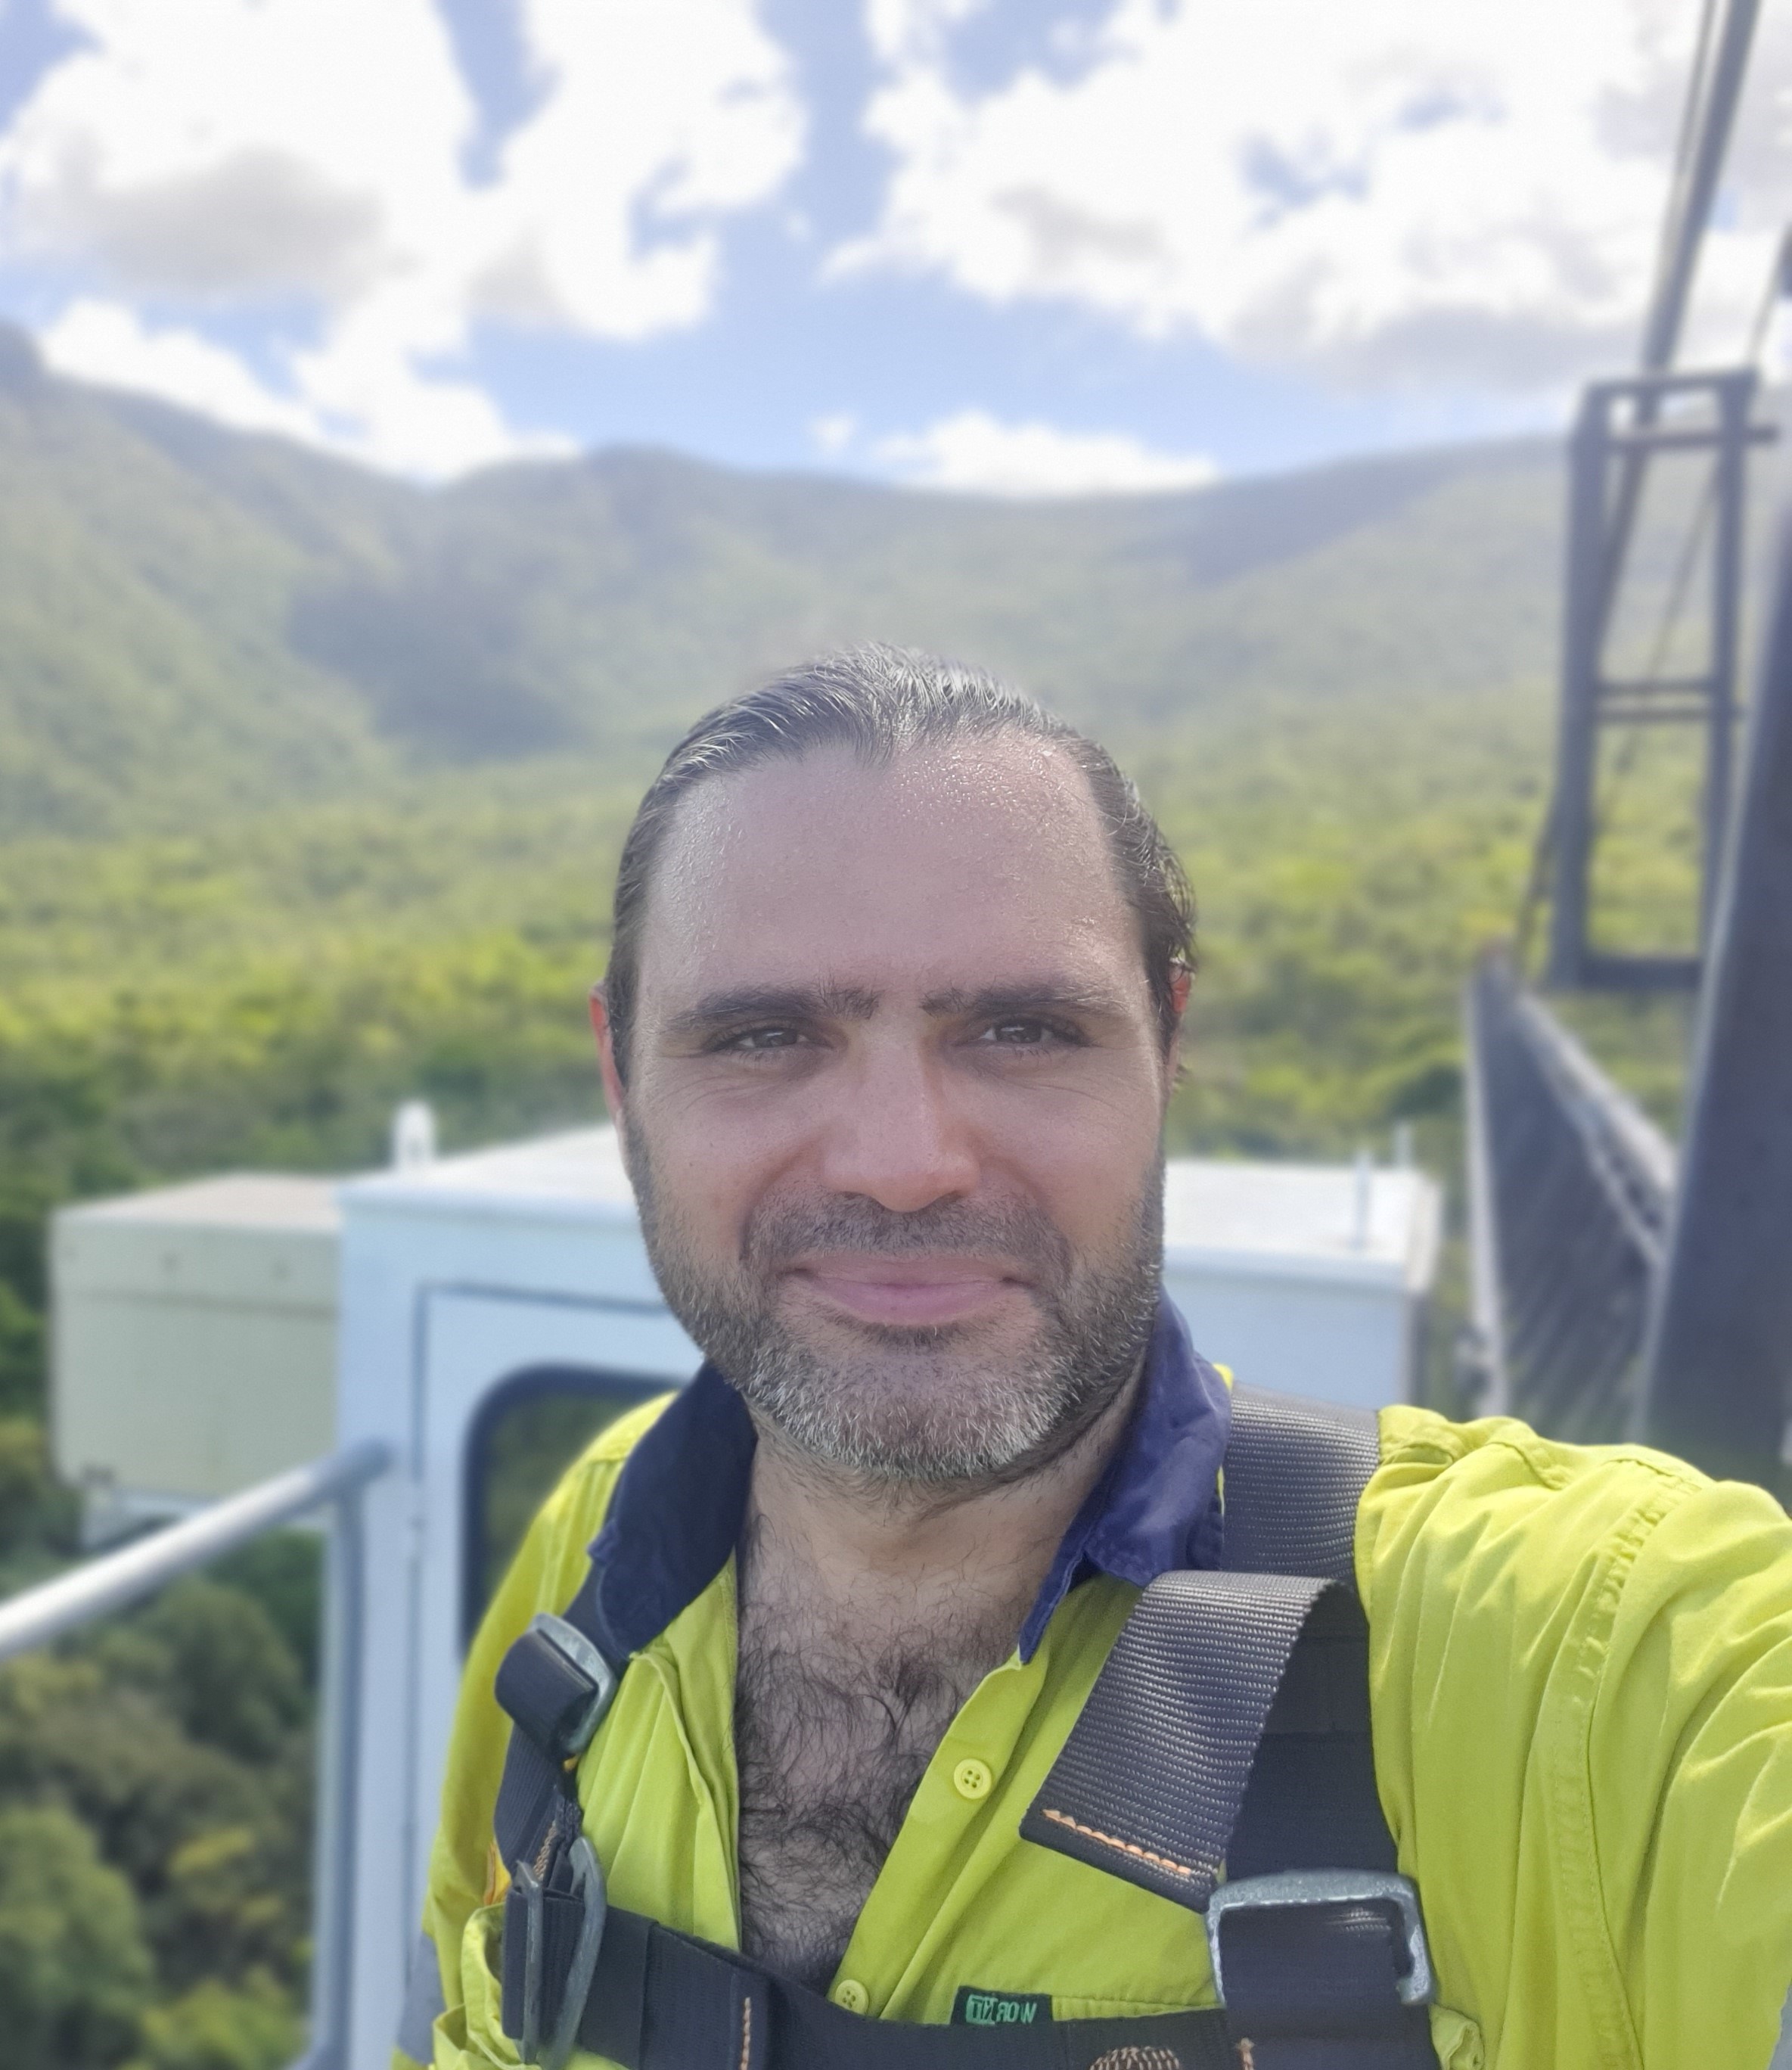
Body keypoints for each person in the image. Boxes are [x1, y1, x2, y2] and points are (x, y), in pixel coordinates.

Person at [400, 646, 1792, 2070]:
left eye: (1021, 1031)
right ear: (622, 1074)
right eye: (762, 1036)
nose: (902, 1164)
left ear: (1165, 1047)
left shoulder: (1582, 1654)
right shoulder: (595, 1557)